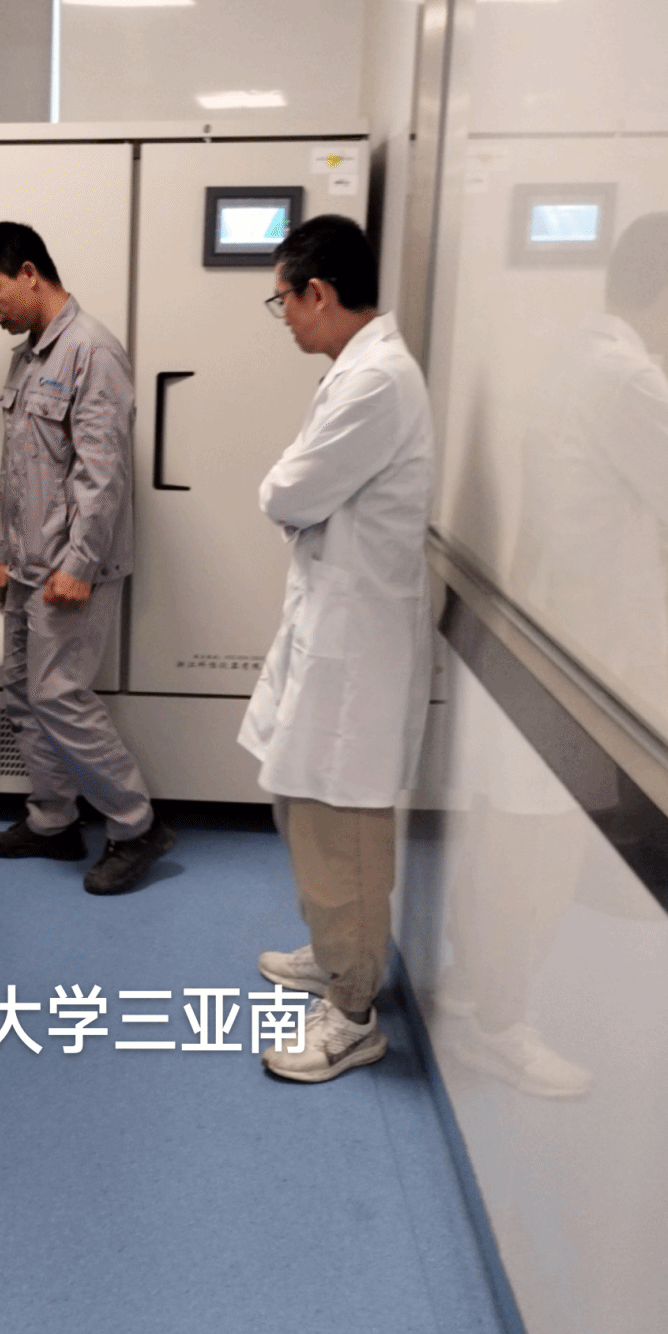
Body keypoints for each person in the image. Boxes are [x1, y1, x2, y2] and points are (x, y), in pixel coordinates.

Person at [243, 215, 433, 1082]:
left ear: (317, 293)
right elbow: (297, 487)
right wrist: (292, 490)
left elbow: (288, 492)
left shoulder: (377, 382)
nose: (282, 316)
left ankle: (353, 1013)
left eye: (282, 300)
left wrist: (288, 491)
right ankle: (333, 956)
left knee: (342, 831)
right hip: (334, 628)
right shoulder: (359, 372)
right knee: (305, 809)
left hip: (357, 649)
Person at [0, 221, 174, 895]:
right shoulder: (27, 358)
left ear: (29, 273)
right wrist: (2, 554)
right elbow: (16, 472)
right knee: (23, 694)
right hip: (27, 564)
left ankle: (136, 826)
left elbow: (102, 474)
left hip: (69, 569)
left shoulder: (92, 351)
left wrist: (79, 565)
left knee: (58, 695)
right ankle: (53, 821)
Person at [509, 212, 668, 742]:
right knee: (623, 754)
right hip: (605, 621)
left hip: (561, 599)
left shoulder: (572, 356)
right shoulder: (628, 377)